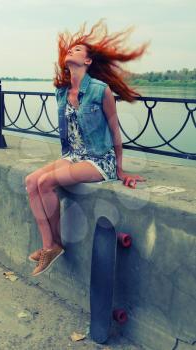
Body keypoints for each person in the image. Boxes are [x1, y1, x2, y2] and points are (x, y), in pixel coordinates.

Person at [25, 19, 149, 277]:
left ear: (88, 61)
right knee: (31, 181)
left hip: (99, 160)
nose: (71, 51)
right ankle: (52, 244)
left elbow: (115, 131)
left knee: (46, 182)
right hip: (73, 156)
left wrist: (120, 169)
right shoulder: (62, 92)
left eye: (78, 50)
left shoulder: (100, 91)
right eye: (70, 49)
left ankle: (50, 247)